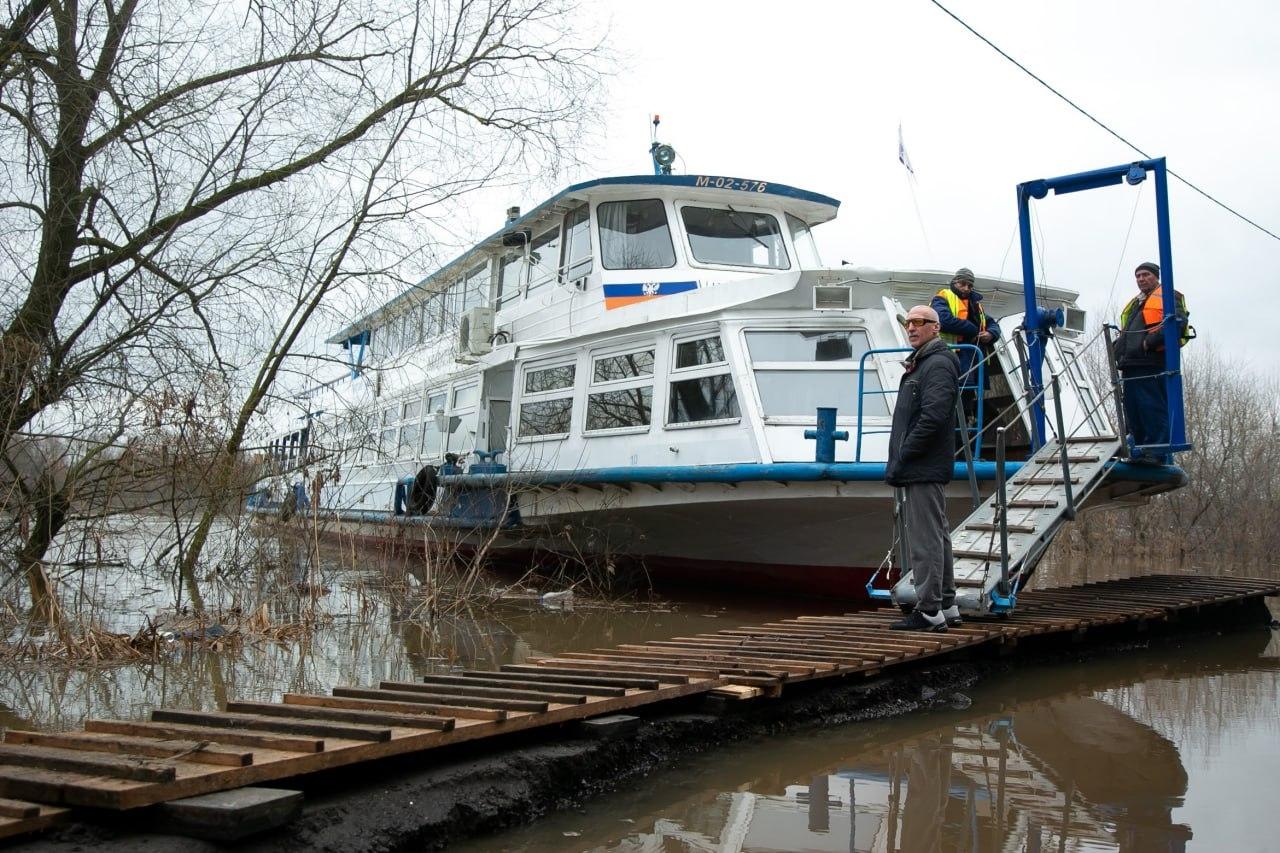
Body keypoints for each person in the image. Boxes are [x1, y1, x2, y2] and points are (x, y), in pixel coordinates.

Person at [887, 305, 961, 632]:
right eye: (909, 323)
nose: (912, 328)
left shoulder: (938, 364)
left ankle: (929, 610)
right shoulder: (925, 362)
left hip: (922, 464)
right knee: (937, 533)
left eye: (920, 322)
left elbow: (934, 416)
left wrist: (905, 453)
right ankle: (946, 604)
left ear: (936, 328)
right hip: (922, 463)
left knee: (925, 538)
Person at [1115, 262, 1190, 464]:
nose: (1141, 279)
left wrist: (1149, 342)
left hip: (1151, 363)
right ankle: (1139, 448)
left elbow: (1178, 322)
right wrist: (1118, 349)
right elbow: (1128, 331)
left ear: (1156, 276)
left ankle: (1156, 451)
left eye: (1145, 274)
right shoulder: (1136, 303)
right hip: (1131, 363)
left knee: (1151, 407)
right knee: (1133, 410)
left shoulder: (1168, 296)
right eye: (1138, 276)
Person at [932, 267, 1001, 434]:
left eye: (970, 285)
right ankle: (955, 449)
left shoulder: (976, 304)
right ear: (955, 282)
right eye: (963, 284)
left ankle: (965, 449)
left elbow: (993, 324)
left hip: (971, 362)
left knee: (967, 404)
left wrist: (991, 334)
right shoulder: (942, 298)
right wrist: (975, 331)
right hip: (949, 360)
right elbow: (944, 320)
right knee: (950, 405)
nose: (966, 288)